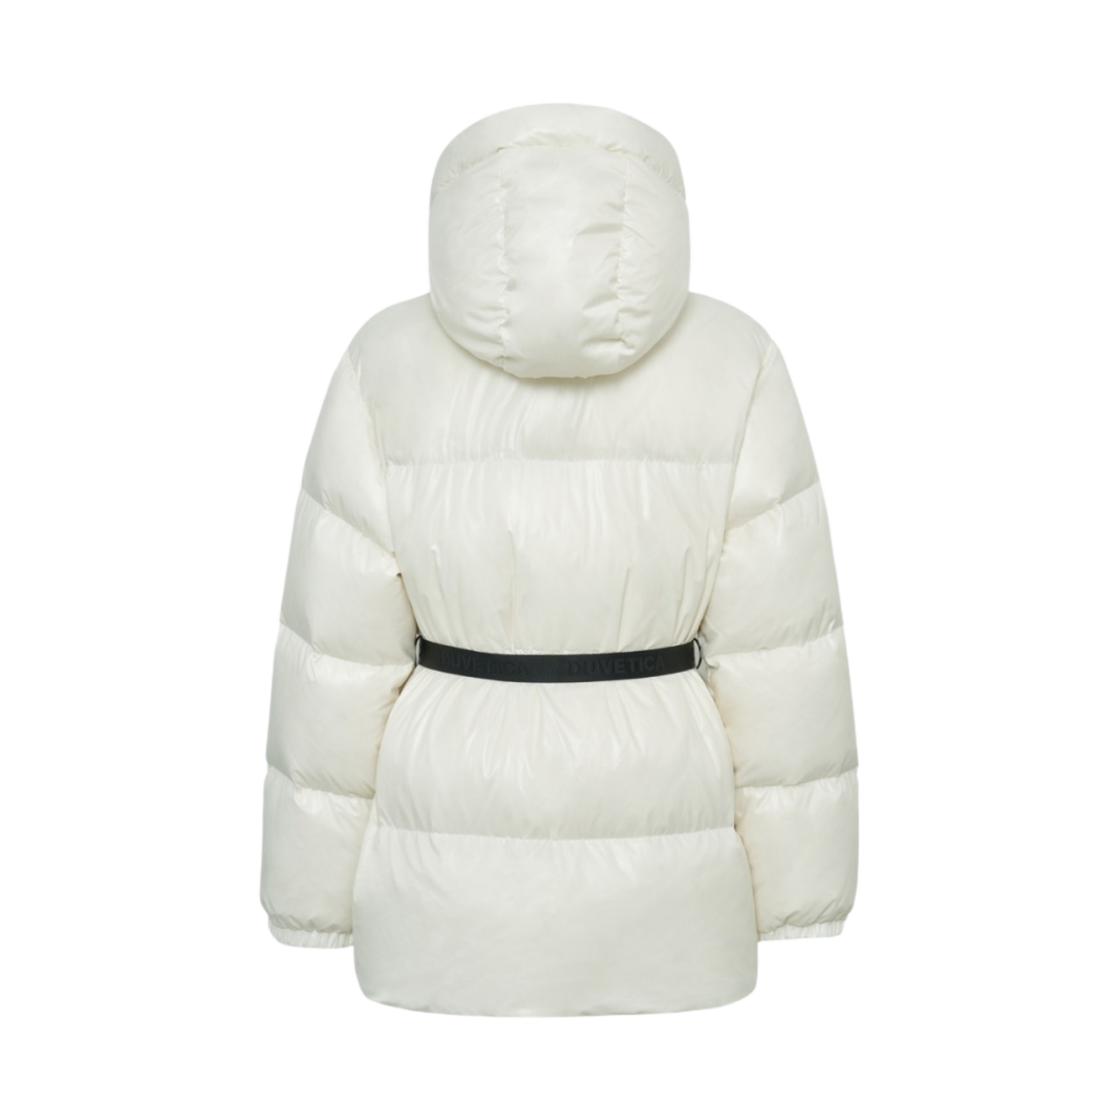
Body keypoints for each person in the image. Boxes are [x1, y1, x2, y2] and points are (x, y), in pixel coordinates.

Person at [258, 101, 860, 1018]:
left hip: (440, 889)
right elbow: (781, 657)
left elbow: (337, 658)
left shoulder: (383, 359)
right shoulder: (738, 357)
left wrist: (310, 902)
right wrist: (800, 900)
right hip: (672, 883)